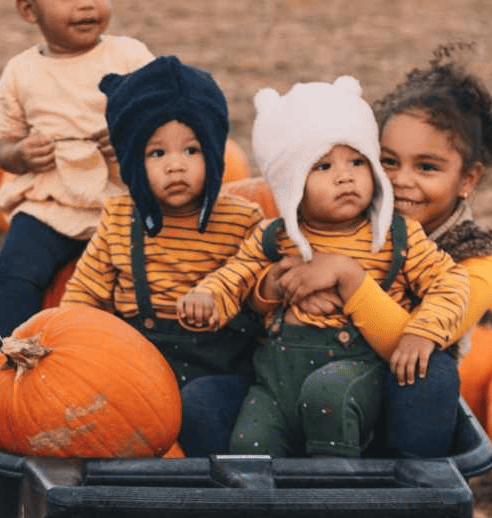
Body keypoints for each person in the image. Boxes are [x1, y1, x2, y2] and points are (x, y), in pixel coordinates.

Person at [176, 75, 470, 458]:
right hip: (276, 381)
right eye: (323, 166)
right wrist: (208, 297)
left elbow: (451, 281)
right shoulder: (273, 237)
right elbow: (235, 275)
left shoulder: (398, 236)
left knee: (326, 396)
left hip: (354, 370)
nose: (345, 176)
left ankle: (335, 500)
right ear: (289, 187)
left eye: (357, 161)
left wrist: (424, 332)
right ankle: (262, 514)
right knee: (250, 444)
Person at [60, 56, 265, 456]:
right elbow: (84, 296)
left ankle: (220, 507)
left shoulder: (243, 220)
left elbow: (260, 283)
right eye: (157, 154)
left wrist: (223, 297)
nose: (175, 166)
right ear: (133, 160)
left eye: (191, 150)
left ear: (215, 153)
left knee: (202, 408)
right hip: (139, 373)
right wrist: (65, 348)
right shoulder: (119, 220)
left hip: (221, 374)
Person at [0, 0, 154, 362]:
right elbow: (1, 142)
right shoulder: (21, 73)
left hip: (122, 202)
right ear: (28, 8)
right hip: (50, 205)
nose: (86, 3)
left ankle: (145, 365)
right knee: (15, 275)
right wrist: (18, 155)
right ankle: (5, 368)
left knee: (151, 280)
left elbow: (165, 123)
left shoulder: (129, 58)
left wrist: (132, 139)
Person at [370, 43, 492, 453]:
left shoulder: (477, 261)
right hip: (327, 390)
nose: (402, 180)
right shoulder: (350, 219)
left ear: (467, 179)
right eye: (389, 161)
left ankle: (415, 499)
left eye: (427, 167)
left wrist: (347, 281)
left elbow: (405, 340)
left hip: (404, 409)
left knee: (430, 371)